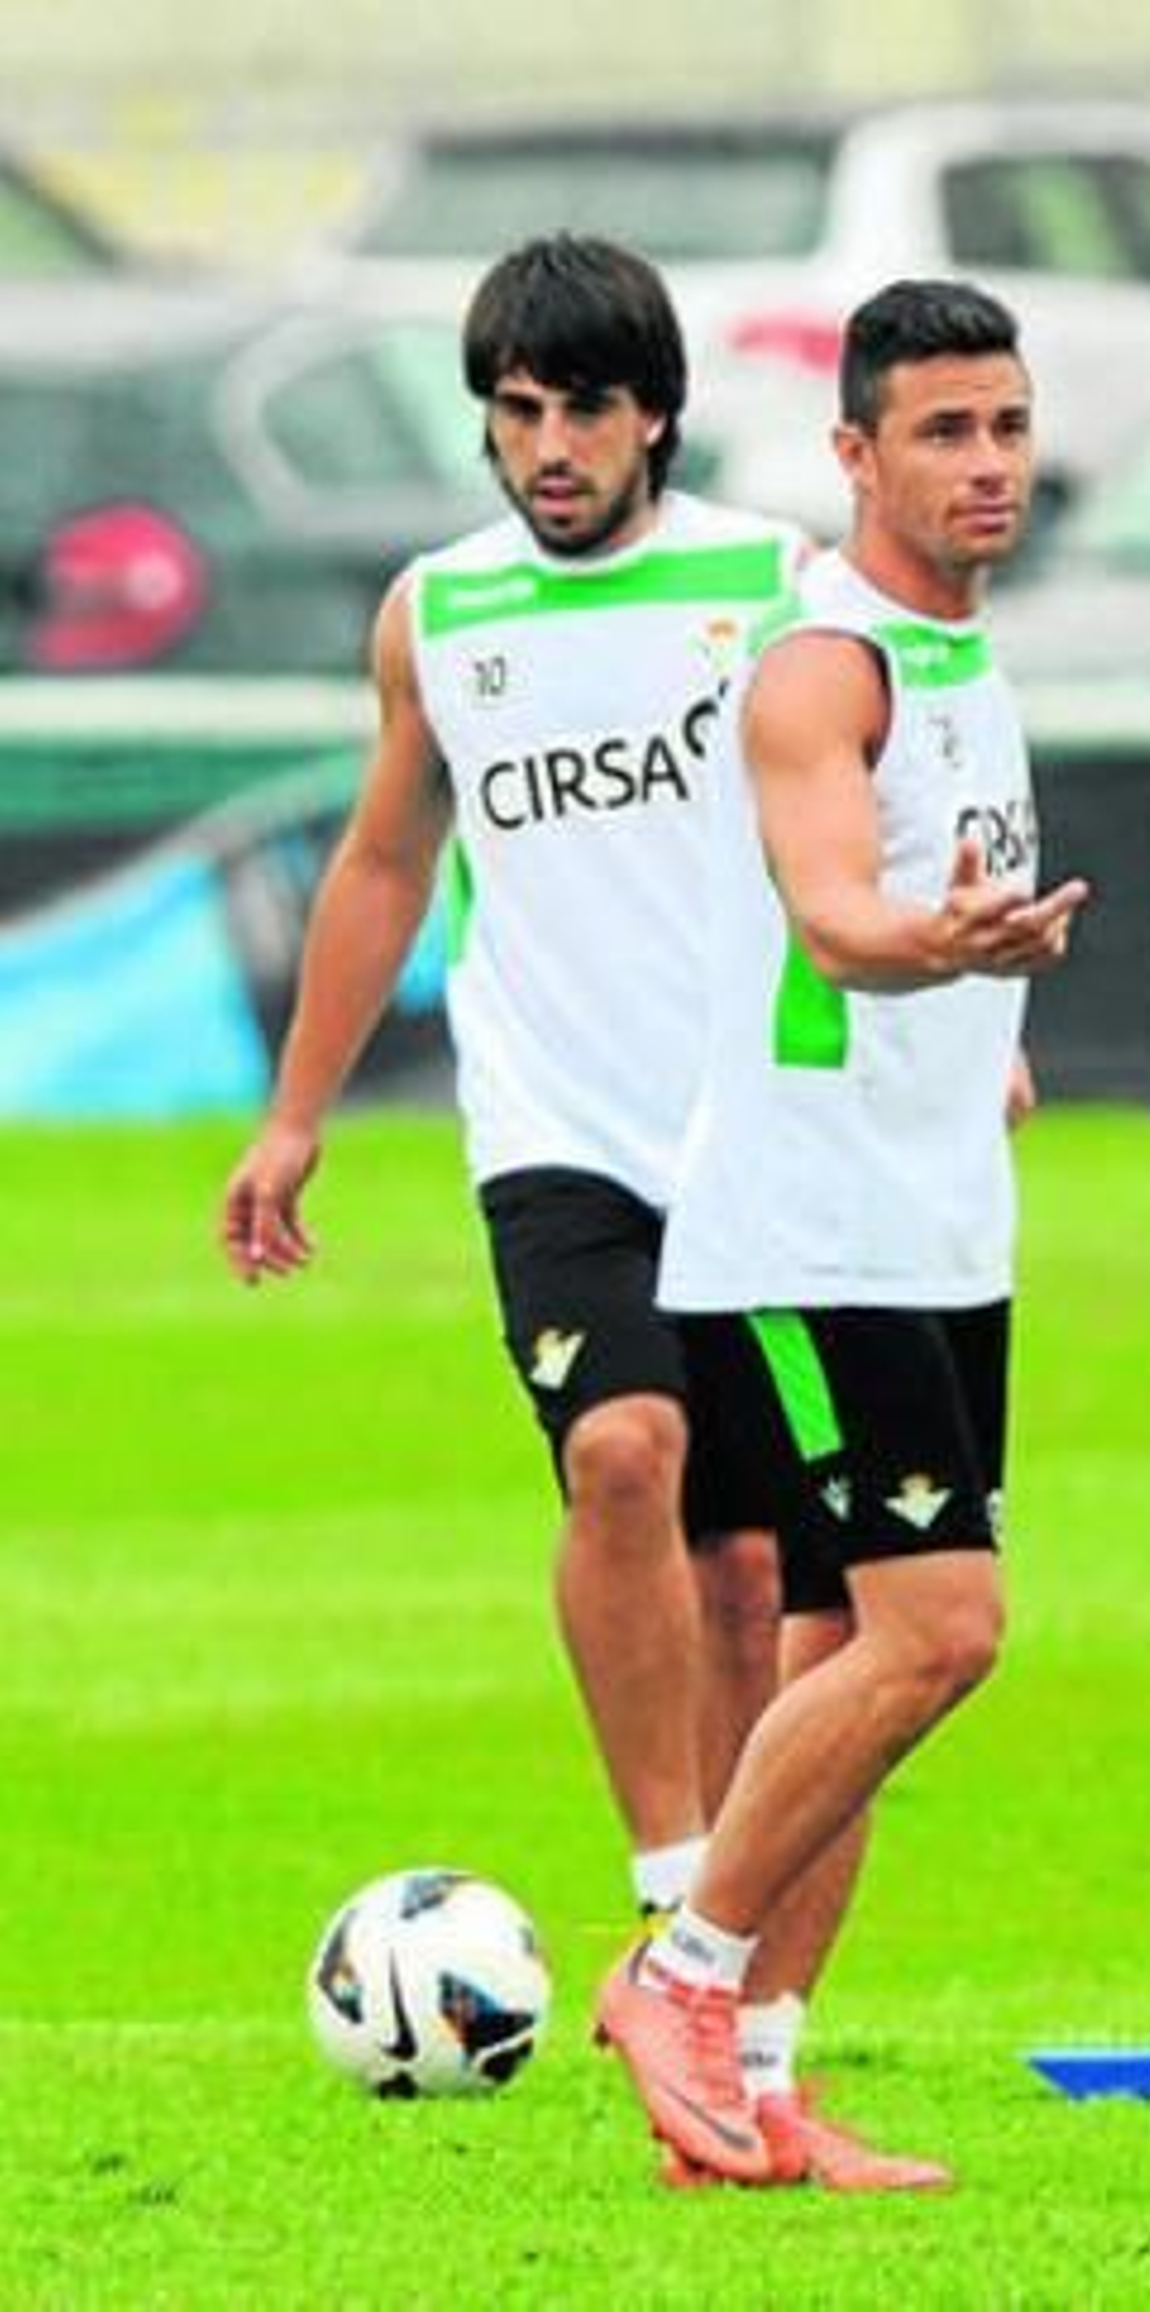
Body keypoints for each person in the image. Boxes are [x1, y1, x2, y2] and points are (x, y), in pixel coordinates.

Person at [218, 234, 806, 1942]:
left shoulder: (771, 586)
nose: (551, 445)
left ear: (659, 419)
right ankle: (667, 1877)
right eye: (518, 410)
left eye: (587, 410)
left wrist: (964, 1026)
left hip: (756, 1134)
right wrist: (295, 1114)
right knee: (623, 1451)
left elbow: (871, 819)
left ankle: (727, 1950)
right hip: (555, 1134)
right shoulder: (441, 611)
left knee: (751, 1568)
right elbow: (386, 863)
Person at [593, 278, 1089, 2187]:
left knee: (837, 1654)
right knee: (940, 1630)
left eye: (1010, 427)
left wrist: (994, 1028)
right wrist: (941, 950)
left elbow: (930, 919)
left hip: (941, 1217)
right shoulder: (827, 665)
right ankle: (682, 1969)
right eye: (946, 433)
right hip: (811, 1231)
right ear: (856, 454)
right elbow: (834, 913)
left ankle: (762, 2083)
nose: (988, 465)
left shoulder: (972, 660)